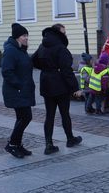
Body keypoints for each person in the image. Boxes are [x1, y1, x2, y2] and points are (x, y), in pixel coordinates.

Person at [32, 23, 83, 154]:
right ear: (58, 33)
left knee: (49, 115)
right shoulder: (61, 48)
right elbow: (67, 70)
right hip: (60, 85)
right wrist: (75, 88)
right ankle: (70, 138)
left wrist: (46, 69)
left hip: (46, 84)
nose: (65, 34)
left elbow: (33, 60)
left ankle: (49, 144)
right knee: (64, 113)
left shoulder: (42, 46)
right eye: (64, 32)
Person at [1, 23, 35, 159]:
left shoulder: (21, 50)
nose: (26, 38)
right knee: (26, 117)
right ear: (17, 37)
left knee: (22, 117)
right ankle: (12, 144)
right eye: (23, 36)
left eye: (27, 35)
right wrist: (19, 85)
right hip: (16, 91)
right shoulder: (11, 50)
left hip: (22, 90)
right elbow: (6, 71)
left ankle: (17, 144)